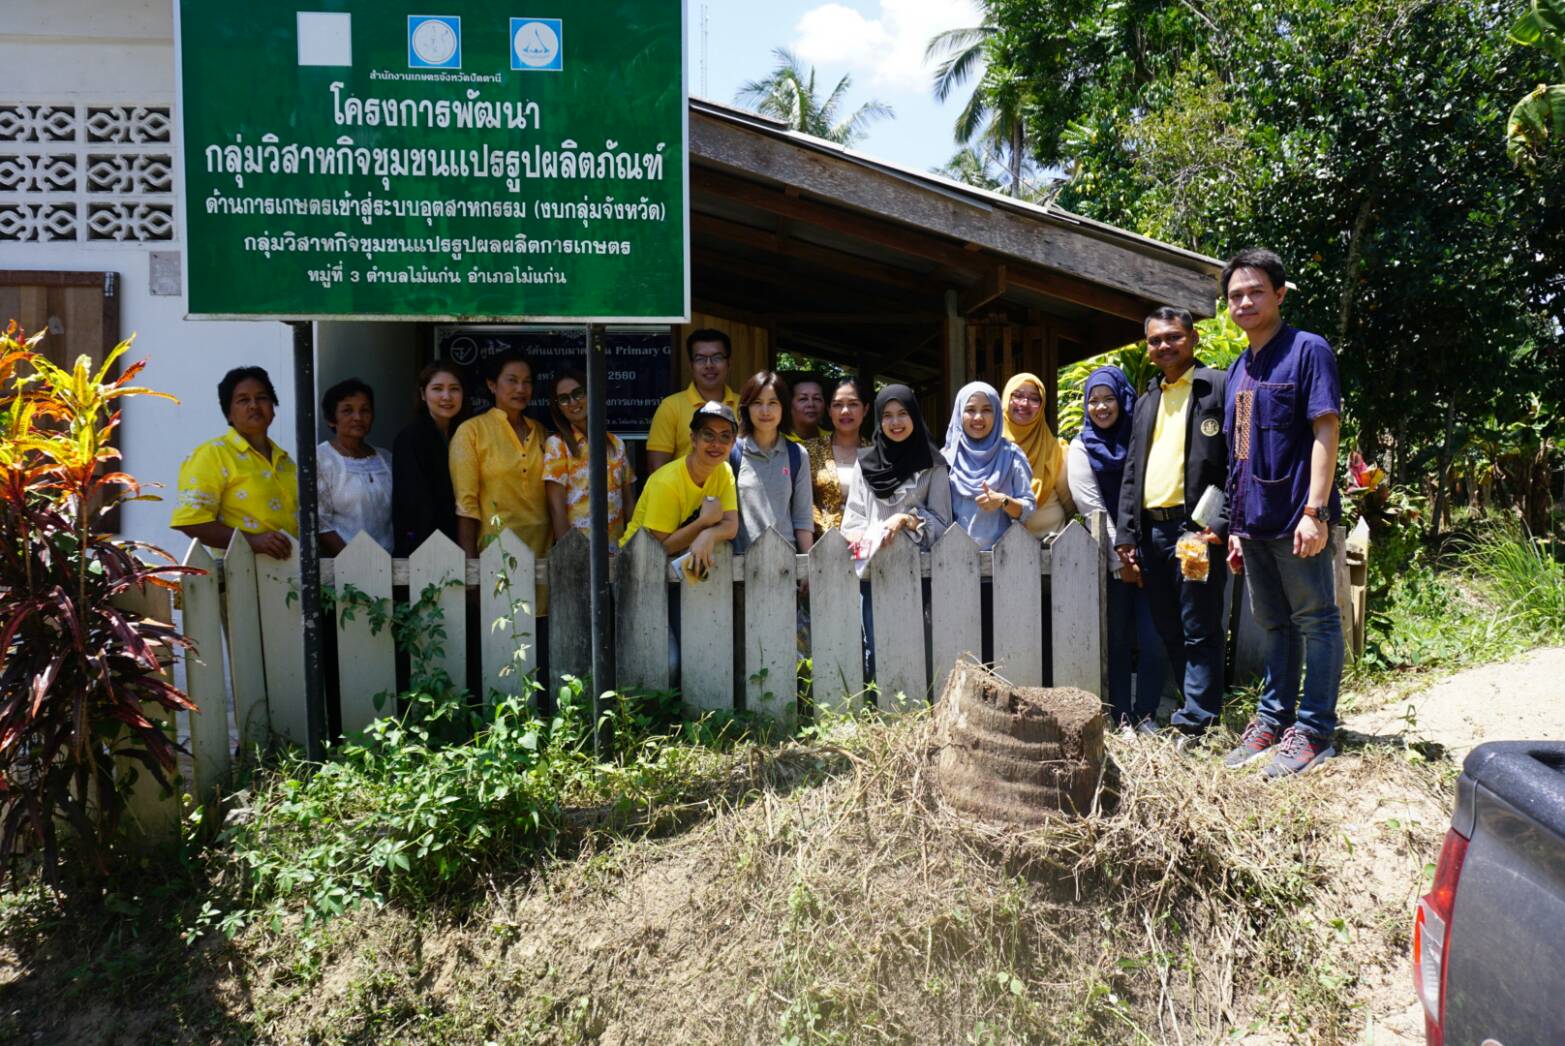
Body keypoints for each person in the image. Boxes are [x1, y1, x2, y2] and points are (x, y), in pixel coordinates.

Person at [1218, 248, 1344, 777]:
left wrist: (1314, 510)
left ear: (1280, 295)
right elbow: (1240, 448)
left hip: (1297, 515)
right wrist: (1233, 525)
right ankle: (1272, 720)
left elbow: (1326, 428)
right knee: (1273, 623)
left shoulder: (1307, 350)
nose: (1245, 302)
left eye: (1255, 292)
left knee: (1315, 620)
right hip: (1253, 521)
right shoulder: (1238, 368)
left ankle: (1315, 730)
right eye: (1235, 295)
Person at [1114, 307, 1230, 743]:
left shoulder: (1216, 386)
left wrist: (1219, 522)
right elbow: (1131, 473)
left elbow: (1238, 459)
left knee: (1200, 625)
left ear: (1193, 338)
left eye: (1174, 337)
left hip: (1195, 529)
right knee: (1169, 627)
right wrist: (1127, 535)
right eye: (1156, 340)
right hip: (1152, 533)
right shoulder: (1148, 400)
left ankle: (1199, 721)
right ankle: (1196, 710)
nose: (1165, 346)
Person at [1066, 366, 1169, 731]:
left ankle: (1147, 713)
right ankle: (1121, 715)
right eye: (1093, 401)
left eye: (1109, 398)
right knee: (1119, 640)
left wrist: (1143, 555)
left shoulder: (1144, 439)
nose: (1101, 407)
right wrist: (1122, 558)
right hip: (1112, 557)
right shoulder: (1080, 448)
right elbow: (1092, 507)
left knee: (1156, 637)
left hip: (1153, 551)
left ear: (1124, 399)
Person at [171, 366, 297, 559]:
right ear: (228, 414)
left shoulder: (286, 461)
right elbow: (190, 520)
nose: (254, 405)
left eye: (262, 398)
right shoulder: (213, 455)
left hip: (291, 578)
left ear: (273, 407)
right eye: (243, 400)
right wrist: (252, 541)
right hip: (240, 575)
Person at [450, 350, 552, 560]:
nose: (521, 389)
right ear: (492, 385)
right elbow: (466, 504)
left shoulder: (541, 432)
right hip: (496, 552)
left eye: (527, 382)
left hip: (544, 550)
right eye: (512, 381)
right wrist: (471, 565)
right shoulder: (472, 431)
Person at [621, 401, 740, 575]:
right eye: (708, 435)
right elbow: (660, 547)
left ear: (733, 443)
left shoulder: (724, 471)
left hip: (679, 570)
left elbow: (731, 526)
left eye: (725, 436)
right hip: (637, 566)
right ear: (693, 438)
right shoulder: (666, 482)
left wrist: (708, 535)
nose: (716, 444)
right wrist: (704, 522)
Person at [842, 385, 952, 559]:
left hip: (919, 569)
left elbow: (943, 527)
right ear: (879, 420)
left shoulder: (933, 465)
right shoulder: (865, 463)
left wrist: (906, 520)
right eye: (887, 416)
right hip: (873, 567)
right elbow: (853, 517)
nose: (895, 422)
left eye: (903, 413)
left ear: (914, 416)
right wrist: (857, 535)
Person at [542, 369, 637, 545]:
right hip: (579, 552)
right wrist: (568, 551)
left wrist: (632, 544)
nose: (572, 402)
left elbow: (628, 502)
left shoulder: (616, 444)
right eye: (564, 399)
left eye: (578, 393)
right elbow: (556, 508)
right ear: (558, 408)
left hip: (617, 549)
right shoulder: (557, 446)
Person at [941, 381, 1034, 550]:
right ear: (959, 413)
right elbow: (937, 515)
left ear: (997, 413)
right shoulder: (946, 459)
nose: (978, 417)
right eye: (970, 410)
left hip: (1006, 558)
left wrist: (1003, 501)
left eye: (986, 410)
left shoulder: (1011, 455)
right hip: (954, 559)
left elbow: (1028, 509)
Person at [731, 371, 814, 553]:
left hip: (786, 563)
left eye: (773, 403)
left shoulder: (797, 455)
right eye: (757, 403)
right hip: (740, 566)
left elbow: (803, 518)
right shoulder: (732, 453)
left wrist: (808, 568)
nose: (765, 411)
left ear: (784, 407)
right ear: (746, 408)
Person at [392, 361, 465, 557]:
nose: (446, 397)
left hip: (463, 541)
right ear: (423, 394)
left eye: (454, 389)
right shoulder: (410, 438)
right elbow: (414, 504)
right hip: (425, 549)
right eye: (437, 389)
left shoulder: (467, 433)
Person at [644, 328, 740, 473]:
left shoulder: (745, 406)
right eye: (700, 358)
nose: (709, 365)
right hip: (684, 495)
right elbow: (657, 469)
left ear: (729, 363)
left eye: (717, 358)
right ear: (691, 365)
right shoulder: (671, 407)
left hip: (735, 493)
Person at [316, 378, 393, 555]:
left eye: (364, 410)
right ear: (331, 419)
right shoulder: (320, 459)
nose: (358, 417)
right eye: (347, 411)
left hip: (390, 564)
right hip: (343, 567)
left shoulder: (386, 459)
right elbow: (319, 522)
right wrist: (352, 561)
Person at [1000, 373, 1073, 536]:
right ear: (1005, 399)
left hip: (1052, 551)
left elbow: (1069, 505)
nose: (1024, 403)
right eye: (1017, 395)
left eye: (1034, 398)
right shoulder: (990, 448)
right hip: (997, 553)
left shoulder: (1057, 452)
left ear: (1042, 406)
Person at [805, 377, 870, 536]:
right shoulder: (809, 450)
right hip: (820, 544)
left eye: (853, 404)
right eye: (837, 405)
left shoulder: (876, 454)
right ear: (829, 410)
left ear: (866, 409)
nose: (845, 411)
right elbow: (802, 502)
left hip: (867, 546)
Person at [786, 372, 825, 442]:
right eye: (803, 399)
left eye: (816, 398)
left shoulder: (834, 439)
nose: (811, 404)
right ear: (789, 405)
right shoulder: (778, 442)